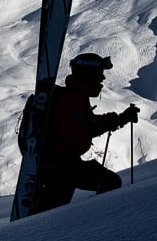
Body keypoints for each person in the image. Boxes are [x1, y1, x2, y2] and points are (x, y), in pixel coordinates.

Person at [37, 52, 139, 213]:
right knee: (110, 182)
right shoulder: (73, 99)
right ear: (89, 75)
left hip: (58, 165)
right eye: (100, 74)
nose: (102, 79)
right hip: (60, 167)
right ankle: (93, 228)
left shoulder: (74, 96)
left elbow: (82, 125)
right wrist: (114, 121)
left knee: (50, 211)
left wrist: (117, 120)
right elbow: (78, 130)